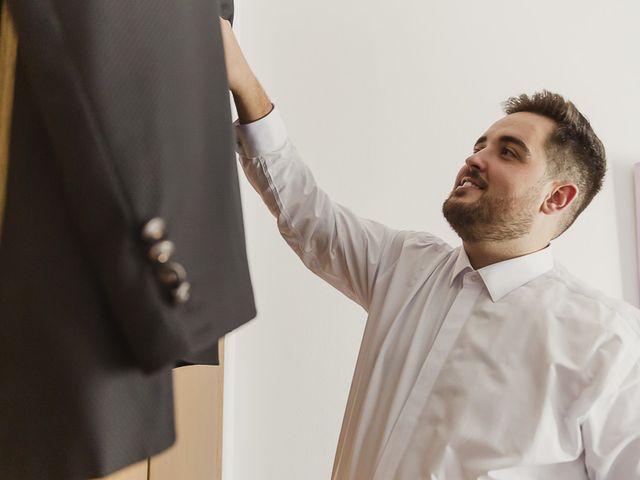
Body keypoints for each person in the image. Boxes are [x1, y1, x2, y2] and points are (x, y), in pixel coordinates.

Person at [219, 19, 640, 480]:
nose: (474, 159)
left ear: (556, 198)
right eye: (480, 145)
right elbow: (306, 214)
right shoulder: (404, 264)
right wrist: (242, 81)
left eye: (509, 152)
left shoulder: (610, 341)